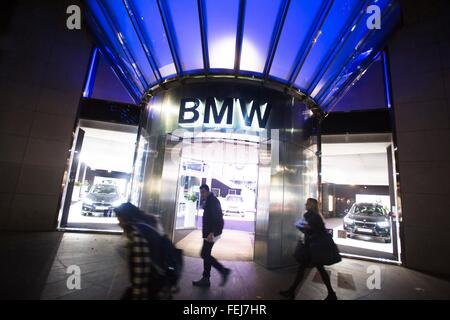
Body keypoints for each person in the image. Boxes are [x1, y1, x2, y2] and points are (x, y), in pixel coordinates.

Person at [280, 198, 338, 300]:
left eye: (307, 204)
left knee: (308, 269)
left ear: (311, 205)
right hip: (313, 247)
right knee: (310, 269)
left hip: (314, 248)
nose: (305, 205)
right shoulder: (313, 216)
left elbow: (310, 229)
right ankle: (331, 294)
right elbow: (310, 229)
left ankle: (292, 291)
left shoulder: (314, 217)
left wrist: (302, 227)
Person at [114, 202, 167, 300]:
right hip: (155, 281)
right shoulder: (143, 228)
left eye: (119, 218)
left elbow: (141, 268)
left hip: (148, 286)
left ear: (125, 218)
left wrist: (137, 293)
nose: (118, 222)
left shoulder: (137, 235)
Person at [192, 184, 231, 287]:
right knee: (206, 254)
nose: (201, 195)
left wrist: (212, 232)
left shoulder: (213, 201)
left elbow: (217, 217)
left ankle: (223, 271)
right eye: (200, 192)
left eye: (203, 192)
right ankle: (206, 279)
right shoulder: (209, 200)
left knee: (204, 254)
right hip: (209, 232)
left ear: (207, 191)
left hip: (212, 233)